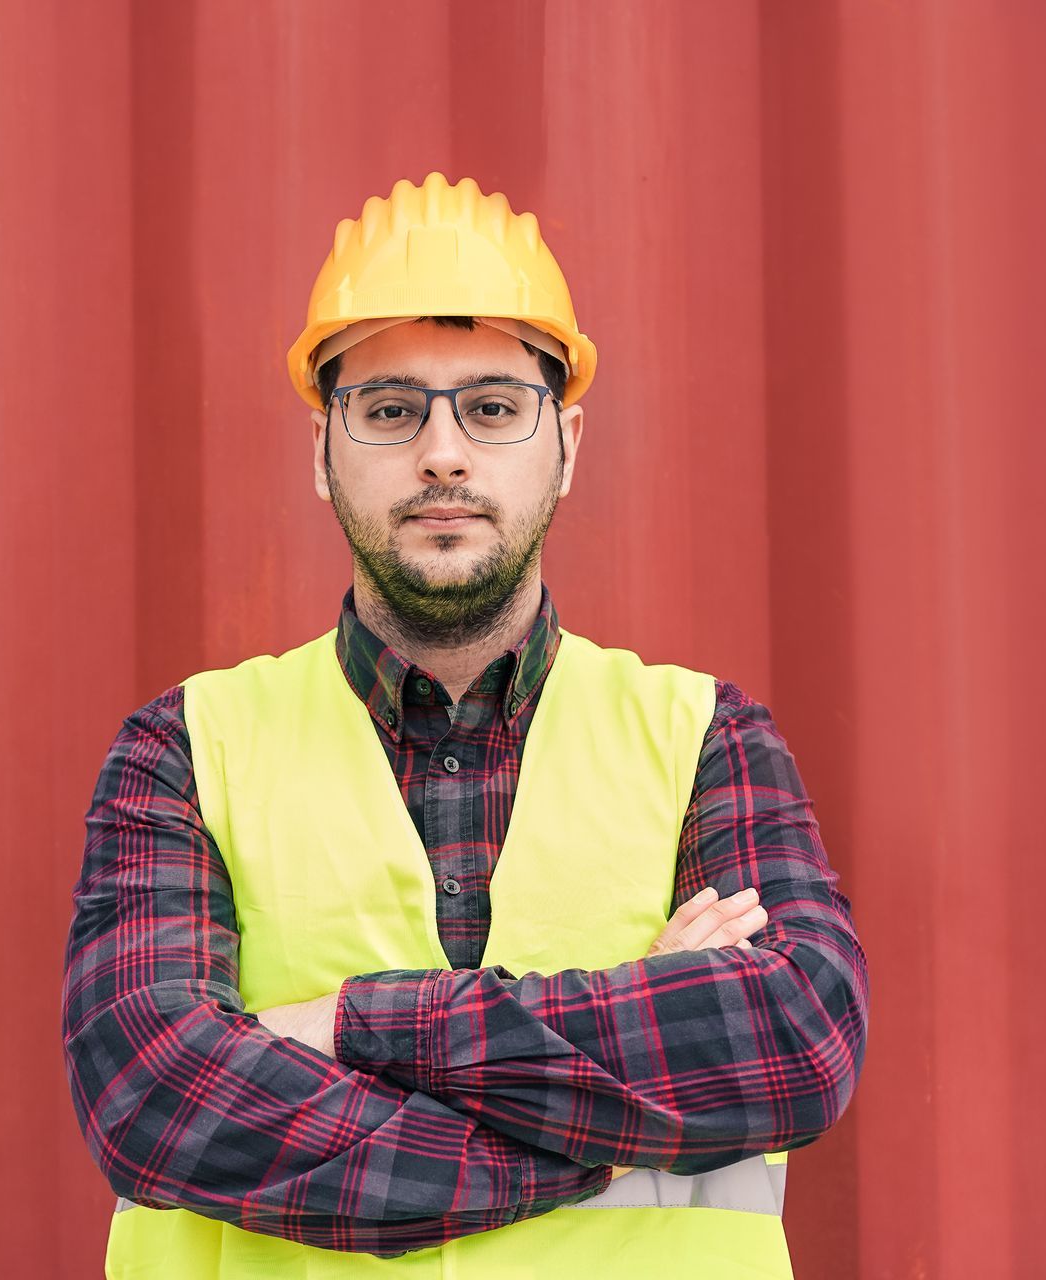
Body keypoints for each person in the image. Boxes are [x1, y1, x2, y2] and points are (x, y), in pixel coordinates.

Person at [62, 172, 868, 1278]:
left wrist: (348, 1025)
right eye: (391, 409)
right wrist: (599, 1122)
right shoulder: (184, 751)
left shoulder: (704, 738)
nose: (443, 451)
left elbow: (794, 1039)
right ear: (321, 450)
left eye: (492, 407)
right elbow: (153, 1093)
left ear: (567, 444)